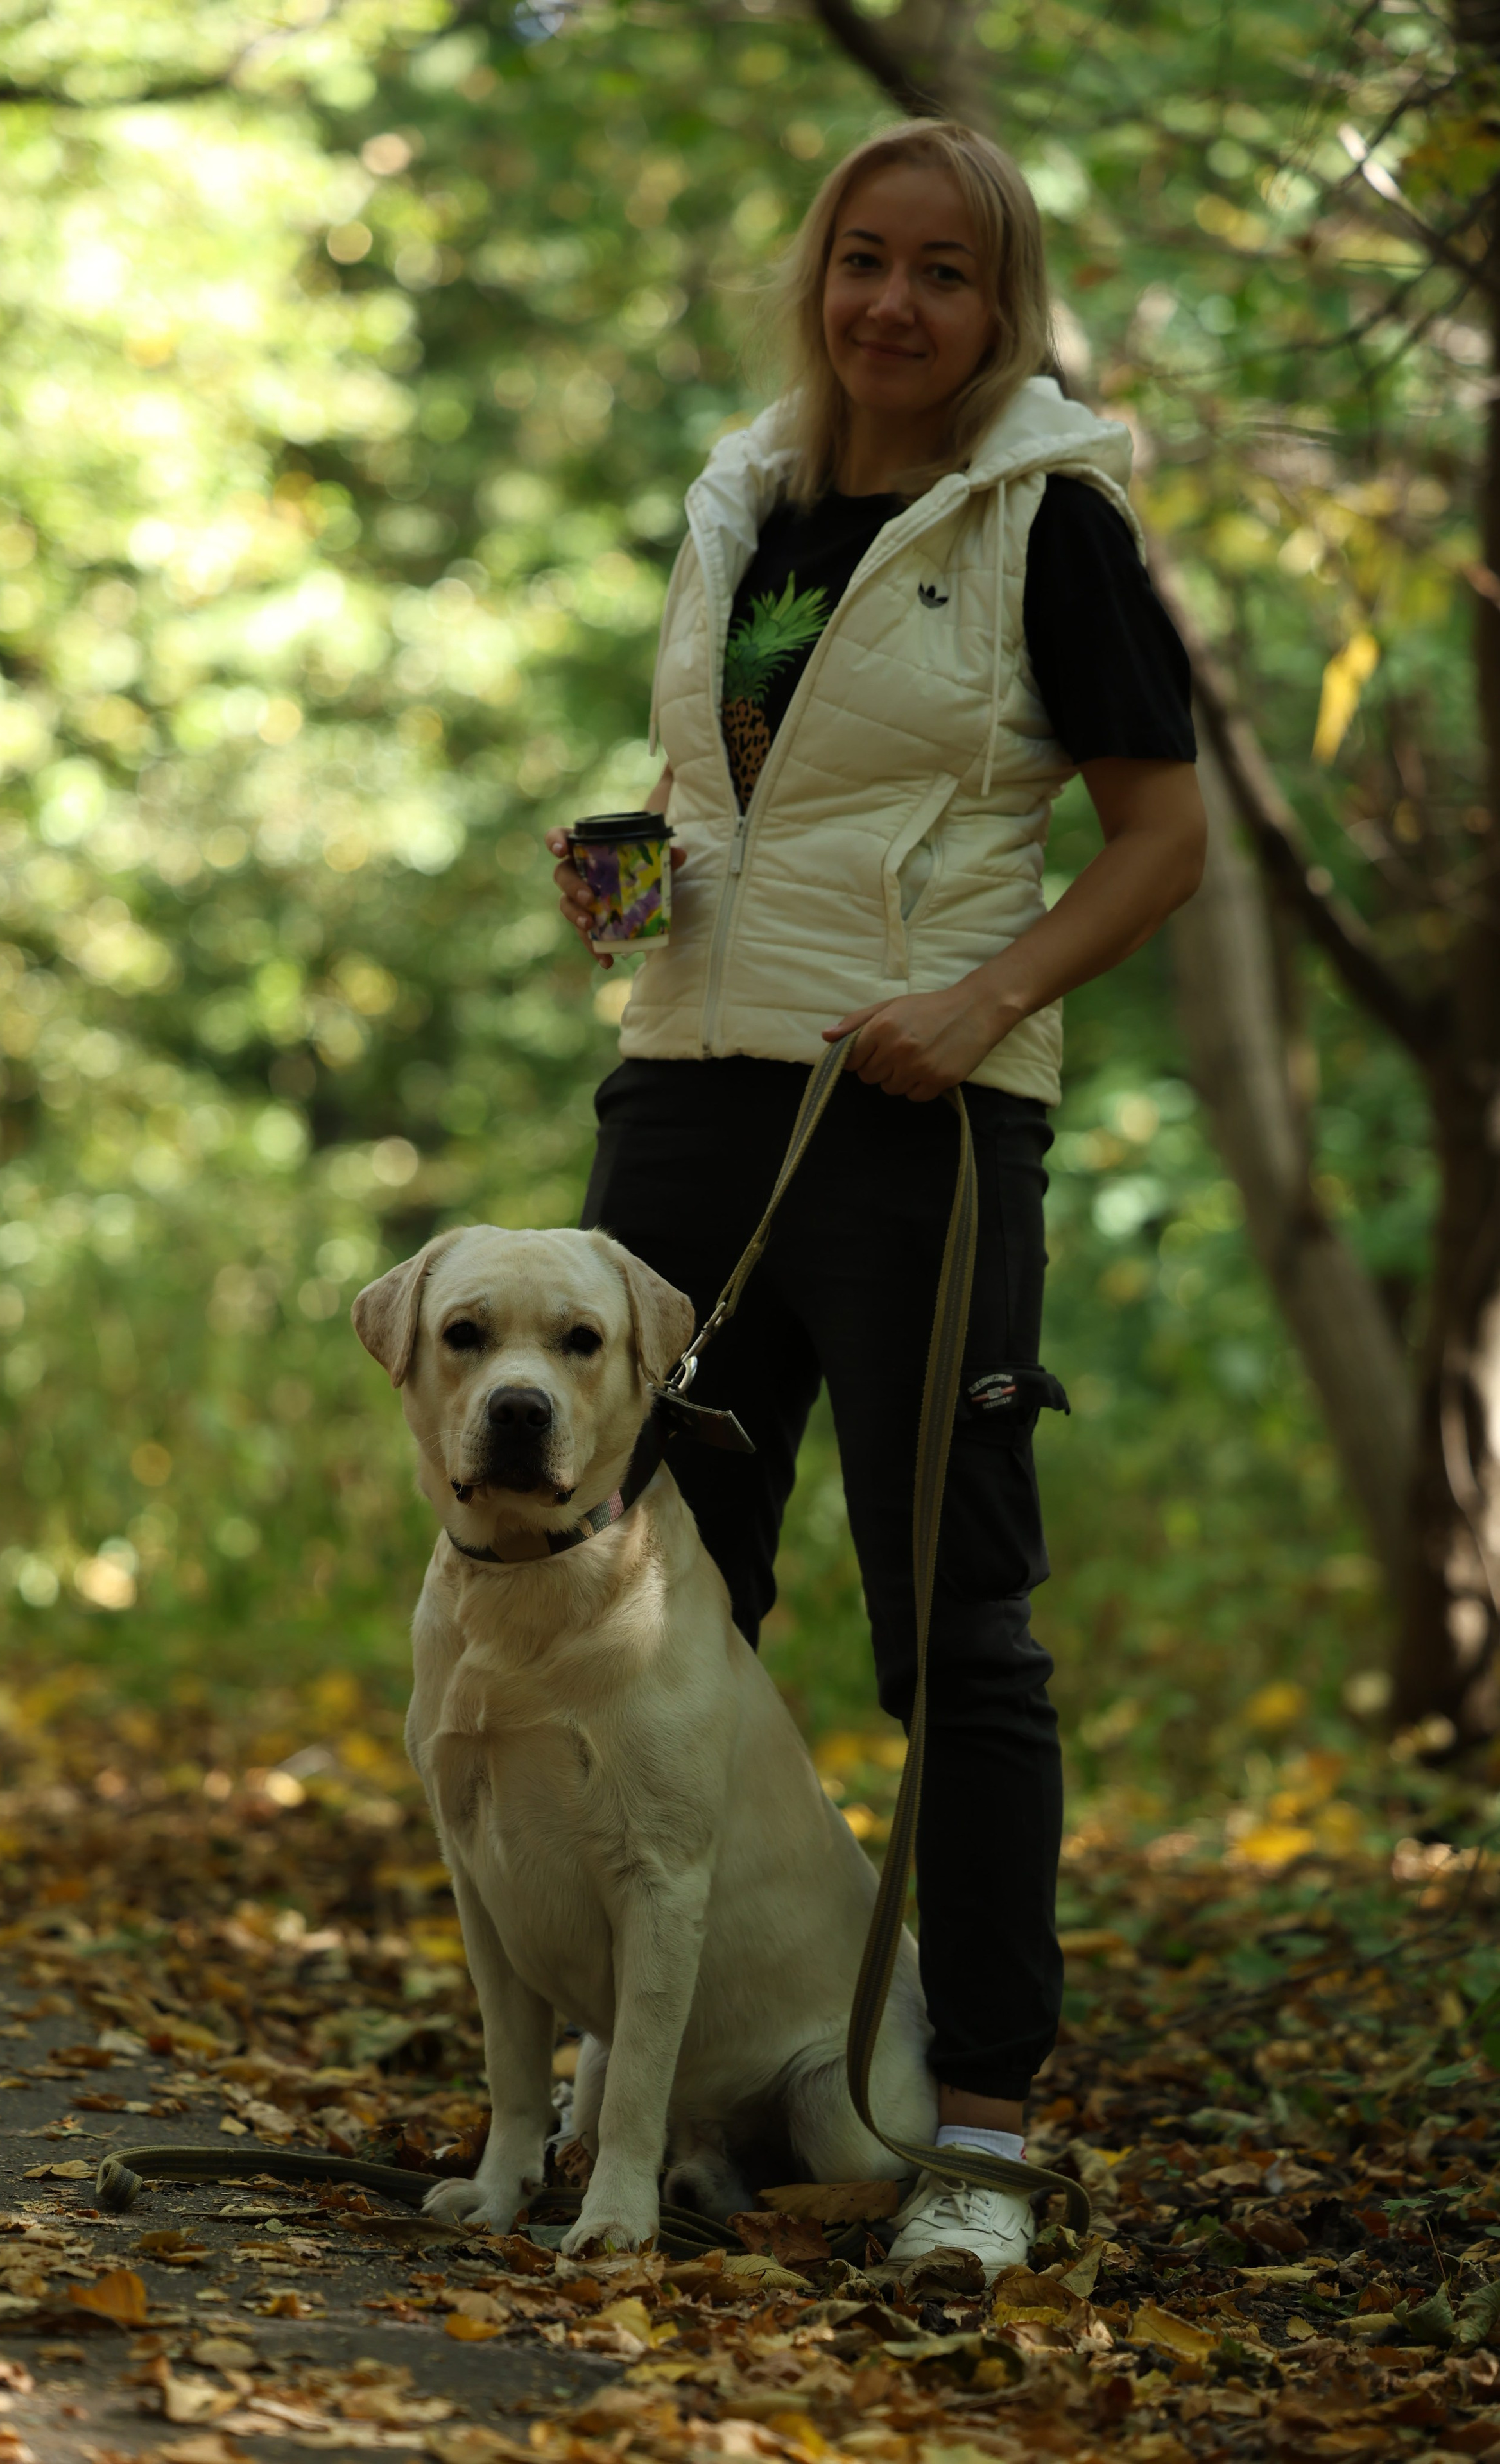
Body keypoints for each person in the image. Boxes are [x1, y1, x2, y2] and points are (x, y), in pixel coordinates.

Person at [546, 119, 1206, 2277]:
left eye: (944, 273)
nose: (892, 305)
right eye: (861, 260)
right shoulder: (743, 497)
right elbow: (729, 799)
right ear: (814, 275)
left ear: (1000, 309)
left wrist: (979, 998)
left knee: (958, 1630)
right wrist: (628, 871)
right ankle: (647, 2096)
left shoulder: (1050, 523)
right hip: (685, 1107)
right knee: (647, 1617)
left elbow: (1159, 839)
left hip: (916, 1116)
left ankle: (983, 2135)